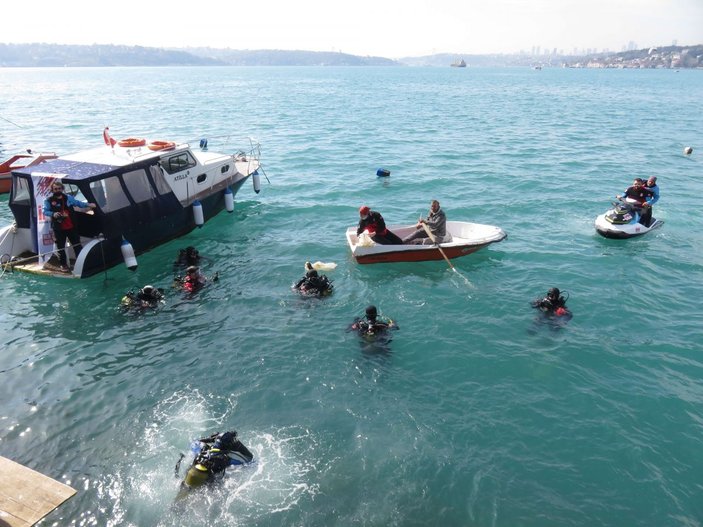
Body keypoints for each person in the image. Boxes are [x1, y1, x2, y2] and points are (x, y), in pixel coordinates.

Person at [175, 430, 254, 500]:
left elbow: (192, 443)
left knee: (183, 493)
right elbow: (248, 460)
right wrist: (237, 446)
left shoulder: (203, 449)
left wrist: (210, 439)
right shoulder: (226, 459)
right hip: (207, 483)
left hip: (192, 473)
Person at [42, 180, 97, 272]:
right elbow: (45, 211)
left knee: (77, 245)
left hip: (71, 226)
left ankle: (81, 263)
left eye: (59, 188)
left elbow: (78, 203)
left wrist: (89, 205)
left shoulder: (68, 198)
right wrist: (53, 214)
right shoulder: (48, 201)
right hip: (58, 228)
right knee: (61, 248)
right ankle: (64, 265)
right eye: (55, 189)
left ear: (62, 189)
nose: (57, 190)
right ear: (52, 190)